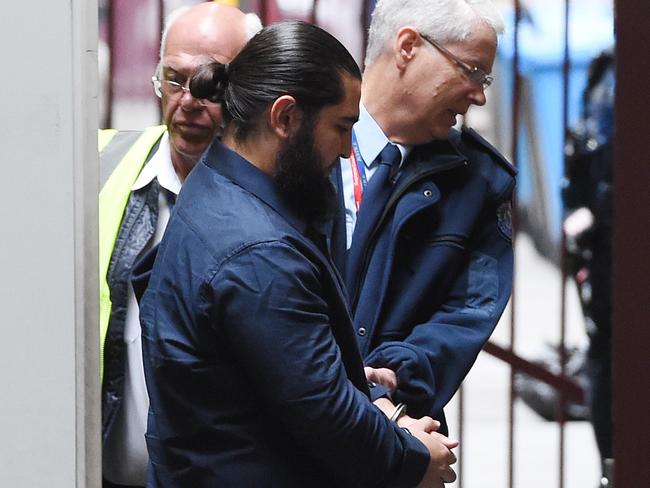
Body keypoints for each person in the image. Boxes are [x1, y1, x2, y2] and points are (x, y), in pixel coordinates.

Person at [136, 20, 458, 488]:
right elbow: (327, 418)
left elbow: (267, 370)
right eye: (341, 127)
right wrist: (413, 455)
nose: (349, 150)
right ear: (285, 118)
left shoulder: (217, 182)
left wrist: (348, 378)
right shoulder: (259, 253)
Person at [329, 0, 517, 431]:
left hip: (402, 424)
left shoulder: (481, 181)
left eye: (484, 77)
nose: (480, 94)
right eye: (471, 71)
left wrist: (396, 374)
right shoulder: (300, 142)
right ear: (408, 46)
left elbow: (467, 311)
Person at [98, 4, 262, 487]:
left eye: (210, 84)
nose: (187, 101)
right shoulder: (101, 163)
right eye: (173, 80)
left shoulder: (280, 198)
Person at [563, 47, 614, 487]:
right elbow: (583, 155)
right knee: (607, 359)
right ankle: (613, 467)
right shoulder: (607, 70)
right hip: (608, 249)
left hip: (609, 240)